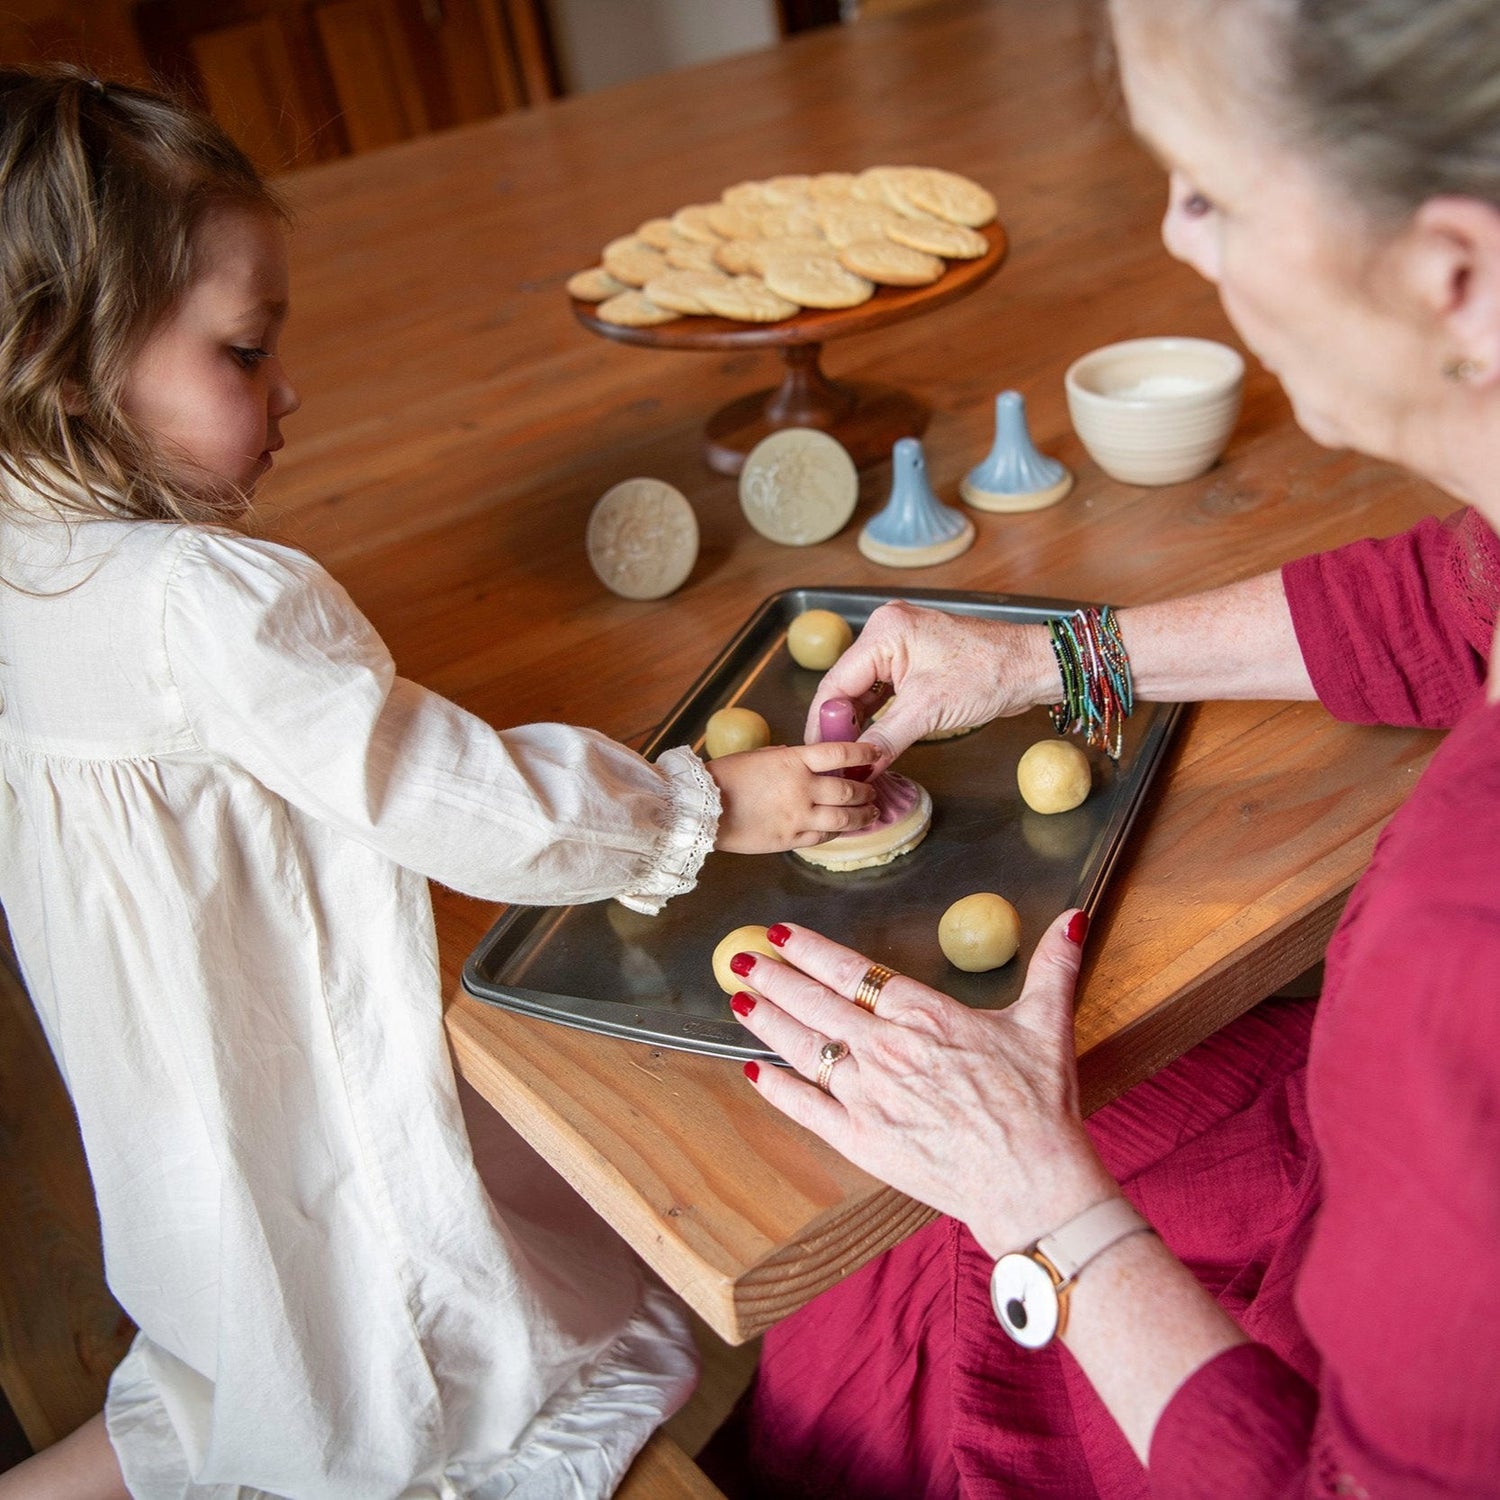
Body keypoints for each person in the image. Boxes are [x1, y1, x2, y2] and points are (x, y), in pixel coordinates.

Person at [0, 67, 882, 1500]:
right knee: (383, 1324)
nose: (288, 390)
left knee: (240, 1325)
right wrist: (703, 807)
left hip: (159, 1075)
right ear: (64, 358)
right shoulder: (206, 605)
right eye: (240, 352)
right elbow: (448, 794)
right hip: (292, 1072)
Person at [701, 0, 1500, 1495]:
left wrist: (1040, 1201)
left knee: (894, 1307)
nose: (1181, 239)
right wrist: (1050, 656)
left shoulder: (1471, 931)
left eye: (1212, 191)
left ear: (1448, 271)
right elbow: (1447, 600)